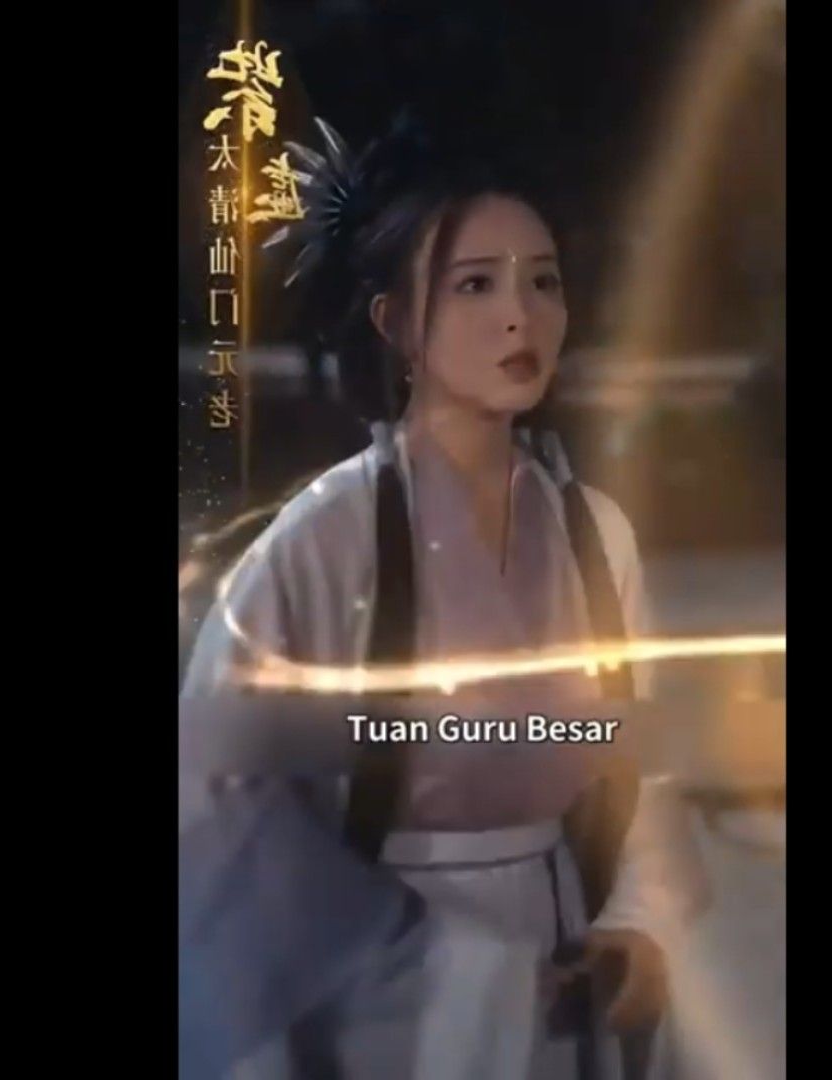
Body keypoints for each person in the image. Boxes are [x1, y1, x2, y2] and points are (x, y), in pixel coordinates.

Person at [180, 115, 708, 1078]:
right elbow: (216, 797)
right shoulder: (322, 539)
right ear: (395, 323)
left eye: (543, 280)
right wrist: (426, 965)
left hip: (569, 942)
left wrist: (639, 921)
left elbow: (641, 766)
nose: (521, 316)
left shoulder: (596, 535)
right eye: (475, 284)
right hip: (379, 982)